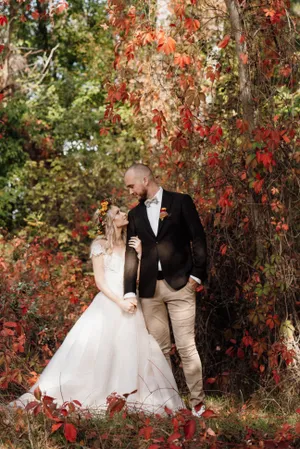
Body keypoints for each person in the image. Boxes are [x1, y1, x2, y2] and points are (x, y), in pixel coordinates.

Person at [9, 200, 183, 414]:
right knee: (100, 350)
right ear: (110, 221)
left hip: (131, 303)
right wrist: (120, 302)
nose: (123, 213)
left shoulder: (131, 243)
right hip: (109, 304)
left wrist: (140, 254)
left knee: (135, 350)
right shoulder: (100, 245)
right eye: (118, 212)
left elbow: (137, 278)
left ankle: (130, 396)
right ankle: (96, 395)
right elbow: (100, 282)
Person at [124, 163, 207, 416]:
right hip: (149, 290)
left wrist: (197, 275)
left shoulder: (180, 202)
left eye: (131, 185)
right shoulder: (134, 214)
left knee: (186, 347)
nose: (129, 191)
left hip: (181, 285)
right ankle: (170, 404)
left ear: (145, 179)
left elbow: (199, 238)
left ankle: (198, 404)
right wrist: (129, 290)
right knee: (160, 350)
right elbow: (131, 255)